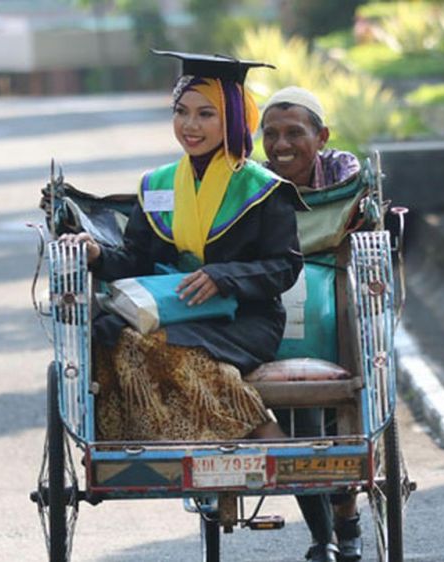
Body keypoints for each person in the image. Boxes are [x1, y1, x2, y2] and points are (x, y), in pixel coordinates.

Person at [58, 50, 302, 444]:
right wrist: (97, 254)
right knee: (109, 340)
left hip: (244, 318)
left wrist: (224, 278)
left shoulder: (263, 190)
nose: (190, 125)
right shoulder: (158, 185)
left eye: (206, 114)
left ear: (234, 119)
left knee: (157, 348)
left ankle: (263, 432)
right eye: (181, 111)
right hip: (172, 309)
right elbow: (137, 259)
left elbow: (284, 268)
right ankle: (208, 440)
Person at [261, 86, 364, 562]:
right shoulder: (255, 182)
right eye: (271, 134)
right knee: (297, 421)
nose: (282, 145)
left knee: (340, 419)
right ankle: (323, 538)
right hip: (277, 308)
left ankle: (348, 522)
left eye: (294, 133)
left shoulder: (344, 174)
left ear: (321, 136)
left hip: (335, 297)